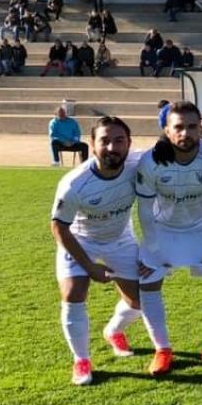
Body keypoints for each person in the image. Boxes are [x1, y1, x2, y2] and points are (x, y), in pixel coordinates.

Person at [136, 101, 202, 376]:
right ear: (167, 130)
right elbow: (144, 209)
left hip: (201, 229)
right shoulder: (151, 161)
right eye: (178, 127)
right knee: (148, 282)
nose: (185, 133)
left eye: (191, 127)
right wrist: (152, 247)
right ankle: (162, 349)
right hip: (161, 230)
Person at [50, 116, 144, 385]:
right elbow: (59, 227)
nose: (112, 147)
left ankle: (114, 330)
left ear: (129, 144)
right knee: (73, 293)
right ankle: (81, 361)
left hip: (120, 239)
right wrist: (90, 267)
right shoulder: (74, 184)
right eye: (104, 141)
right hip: (80, 240)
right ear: (92, 144)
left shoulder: (138, 164)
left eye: (119, 141)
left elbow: (172, 146)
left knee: (139, 301)